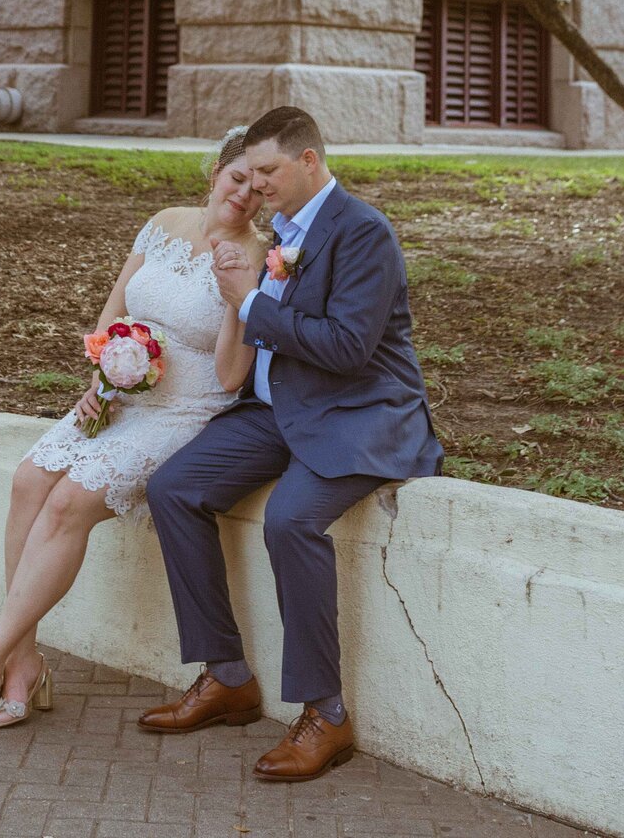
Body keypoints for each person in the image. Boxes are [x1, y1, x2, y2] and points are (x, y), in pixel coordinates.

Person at [0, 126, 266, 735]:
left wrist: (238, 297)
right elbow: (113, 315)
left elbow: (230, 377)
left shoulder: (257, 259)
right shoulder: (164, 221)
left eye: (259, 189)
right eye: (237, 178)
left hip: (182, 413)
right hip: (118, 396)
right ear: (214, 172)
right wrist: (105, 377)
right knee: (29, 480)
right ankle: (25, 663)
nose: (244, 195)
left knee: (68, 504)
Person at [141, 104, 443, 781]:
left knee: (290, 519)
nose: (260, 184)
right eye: (251, 172)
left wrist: (251, 302)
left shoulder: (363, 232)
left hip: (358, 412)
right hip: (279, 410)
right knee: (173, 488)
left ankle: (326, 715)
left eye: (270, 170)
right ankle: (226, 677)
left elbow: (346, 347)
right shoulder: (282, 229)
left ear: (309, 161)